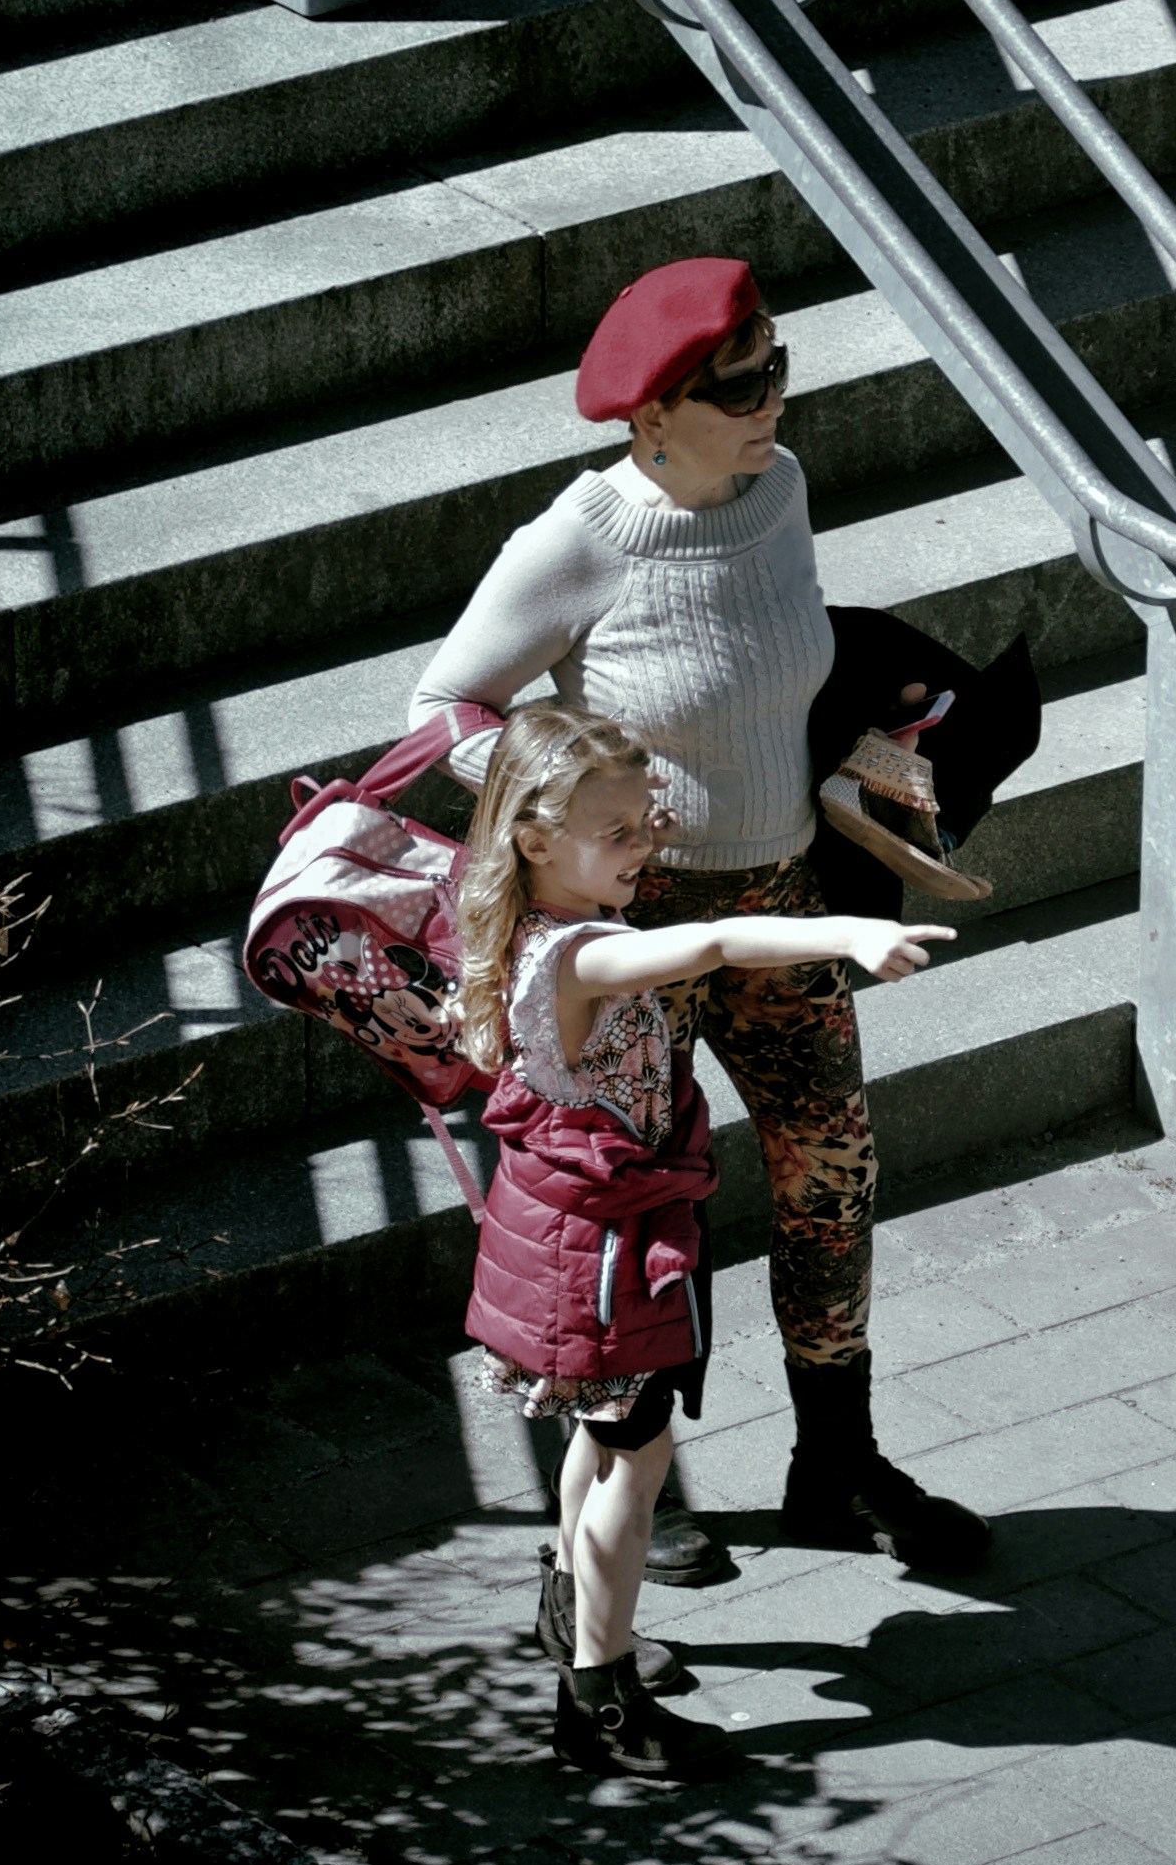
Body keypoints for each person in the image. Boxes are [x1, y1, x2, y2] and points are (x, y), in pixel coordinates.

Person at [410, 257, 993, 1581]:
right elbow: (439, 709)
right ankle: (638, 1472)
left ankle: (833, 1461)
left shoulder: (777, 488)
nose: (770, 400)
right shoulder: (577, 539)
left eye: (778, 369)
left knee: (832, 1176)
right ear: (652, 411)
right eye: (739, 384)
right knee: (637, 1209)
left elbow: (767, 656)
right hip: (637, 930)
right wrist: (561, 799)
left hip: (781, 895)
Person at [453, 703, 948, 1779]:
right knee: (638, 1465)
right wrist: (849, 934)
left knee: (605, 1437)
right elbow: (721, 941)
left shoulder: (529, 934)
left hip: (590, 1239)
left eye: (647, 822)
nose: (647, 848)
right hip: (607, 1259)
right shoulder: (581, 954)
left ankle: (573, 1616)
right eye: (619, 831)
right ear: (537, 839)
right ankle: (599, 1696)